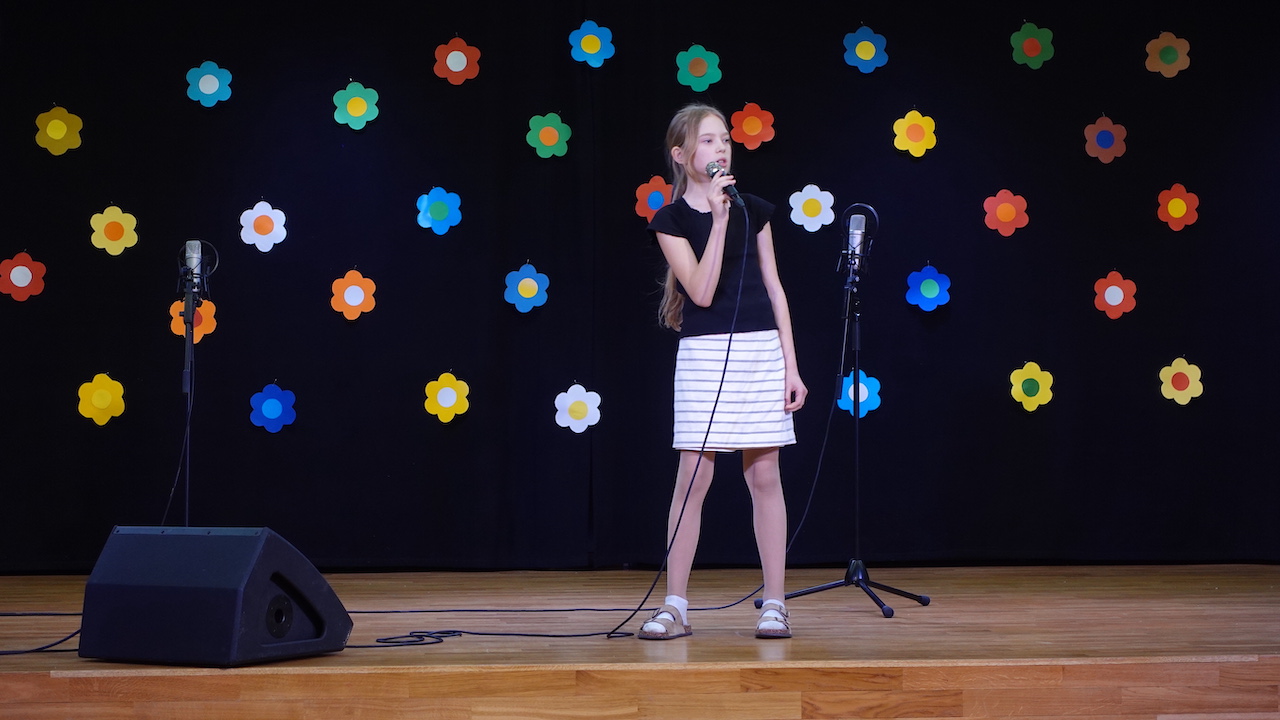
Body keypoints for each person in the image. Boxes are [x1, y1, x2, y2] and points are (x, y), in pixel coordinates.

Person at [641, 103, 807, 640]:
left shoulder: (755, 210)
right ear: (681, 154)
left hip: (761, 352)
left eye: (725, 140)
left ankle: (775, 603)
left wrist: (792, 367)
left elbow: (775, 289)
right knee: (693, 479)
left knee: (765, 476)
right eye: (709, 141)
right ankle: (675, 606)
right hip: (705, 355)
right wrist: (716, 222)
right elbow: (702, 291)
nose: (721, 149)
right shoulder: (670, 221)